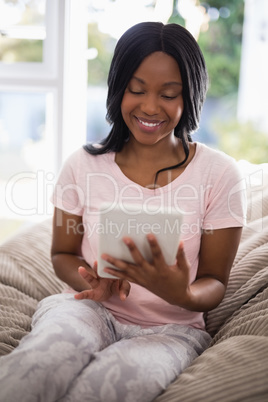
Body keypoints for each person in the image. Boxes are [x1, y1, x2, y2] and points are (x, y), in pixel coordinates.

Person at [0, 21, 246, 402]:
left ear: (191, 95)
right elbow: (62, 253)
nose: (150, 107)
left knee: (107, 388)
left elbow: (214, 281)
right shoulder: (82, 165)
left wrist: (181, 293)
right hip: (88, 311)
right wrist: (90, 283)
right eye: (136, 90)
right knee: (40, 363)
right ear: (118, 90)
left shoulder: (219, 175)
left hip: (172, 330)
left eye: (169, 94)